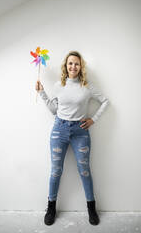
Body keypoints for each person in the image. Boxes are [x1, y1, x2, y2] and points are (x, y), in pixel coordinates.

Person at [35, 51, 109, 226]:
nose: (73, 67)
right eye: (70, 63)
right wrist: (42, 92)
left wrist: (93, 119)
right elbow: (54, 110)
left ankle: (91, 208)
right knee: (55, 171)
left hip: (80, 132)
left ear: (80, 66)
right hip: (59, 129)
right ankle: (51, 207)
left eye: (76, 64)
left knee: (84, 170)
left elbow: (105, 101)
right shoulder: (58, 85)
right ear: (65, 66)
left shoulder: (87, 86)